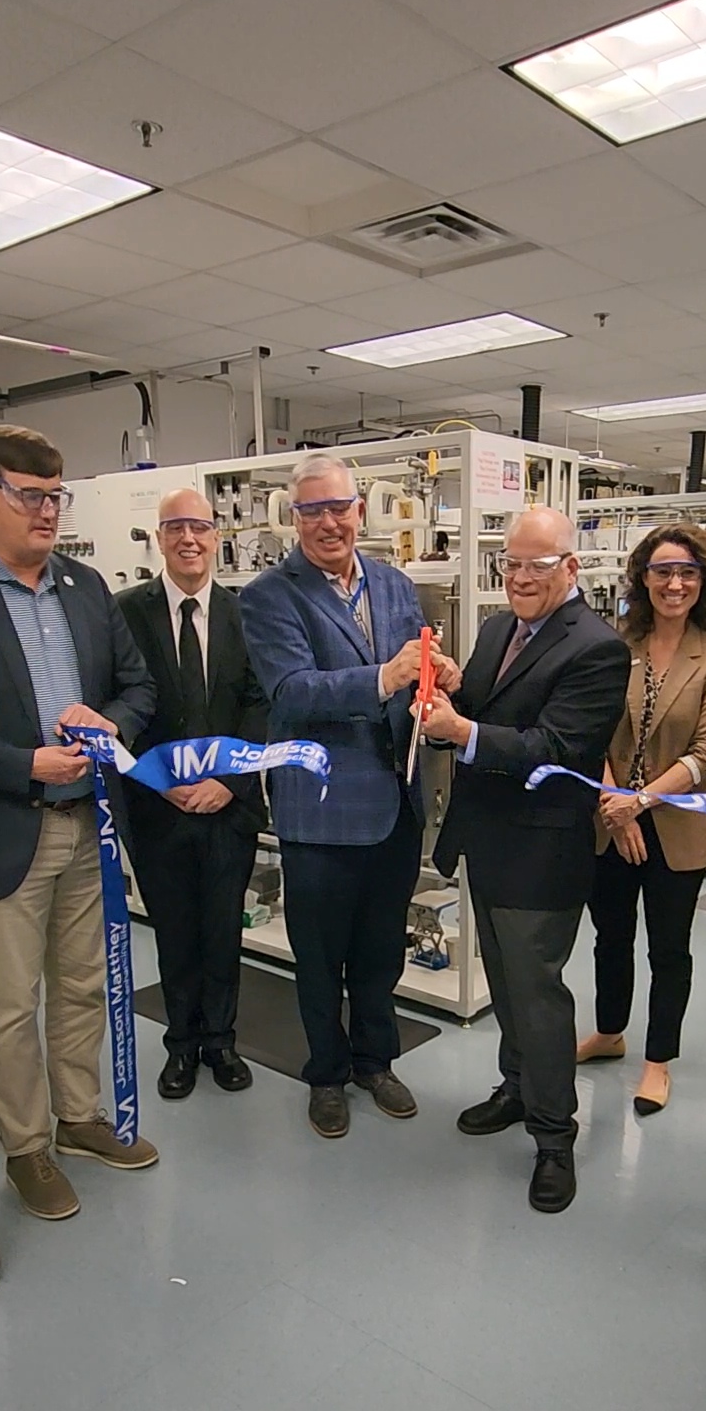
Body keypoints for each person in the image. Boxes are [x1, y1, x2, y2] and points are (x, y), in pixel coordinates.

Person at [0, 425, 158, 1222]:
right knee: (11, 1005)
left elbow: (138, 689)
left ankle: (78, 1118)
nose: (48, 512)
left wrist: (108, 725)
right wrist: (25, 763)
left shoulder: (85, 587)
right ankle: (25, 1148)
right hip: (3, 829)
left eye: (56, 496)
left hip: (88, 825)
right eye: (30, 496)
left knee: (82, 983)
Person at [240, 452, 459, 1140]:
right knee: (319, 957)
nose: (328, 522)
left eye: (339, 508)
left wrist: (436, 676)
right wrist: (385, 678)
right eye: (313, 511)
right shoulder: (268, 596)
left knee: (380, 952)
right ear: (294, 518)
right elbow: (290, 692)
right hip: (320, 811)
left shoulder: (393, 584)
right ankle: (327, 1076)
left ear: (361, 511)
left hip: (394, 804)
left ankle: (375, 1061)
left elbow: (410, 671)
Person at [426, 507, 629, 1214]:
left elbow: (557, 748)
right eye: (509, 564)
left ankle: (554, 1138)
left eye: (536, 566)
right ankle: (516, 1089)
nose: (518, 577)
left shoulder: (597, 648)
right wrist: (449, 690)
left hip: (542, 851)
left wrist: (462, 730)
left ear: (571, 568)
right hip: (487, 839)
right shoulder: (496, 629)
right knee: (507, 986)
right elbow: (486, 709)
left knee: (537, 996)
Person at [576, 524, 706, 1117]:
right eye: (663, 571)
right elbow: (592, 730)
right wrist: (613, 804)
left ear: (704, 582)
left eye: (687, 572)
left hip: (675, 825)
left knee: (669, 948)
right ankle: (609, 1031)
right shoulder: (613, 646)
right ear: (642, 578)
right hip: (609, 817)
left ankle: (658, 1061)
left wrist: (638, 803)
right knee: (610, 937)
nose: (675, 583)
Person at [117, 489, 268, 1102]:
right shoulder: (125, 613)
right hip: (157, 808)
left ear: (215, 536)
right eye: (175, 527)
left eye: (199, 527)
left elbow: (259, 703)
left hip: (228, 807)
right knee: (174, 932)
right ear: (159, 538)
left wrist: (228, 782)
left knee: (223, 930)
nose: (188, 539)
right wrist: (162, 781)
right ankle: (181, 1045)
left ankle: (221, 1042)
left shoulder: (244, 614)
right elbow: (120, 703)